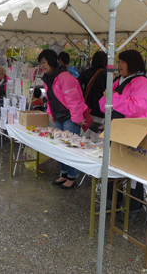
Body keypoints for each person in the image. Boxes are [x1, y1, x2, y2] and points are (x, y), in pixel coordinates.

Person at [99, 49, 147, 222]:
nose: (119, 65)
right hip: (118, 130)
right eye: (119, 62)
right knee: (113, 167)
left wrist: (113, 98)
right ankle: (112, 202)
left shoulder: (142, 83)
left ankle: (133, 208)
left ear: (133, 63)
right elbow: (104, 104)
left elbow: (136, 107)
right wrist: (110, 98)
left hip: (136, 133)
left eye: (122, 61)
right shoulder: (118, 81)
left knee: (133, 172)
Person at [39, 49, 88, 189]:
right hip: (59, 117)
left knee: (70, 147)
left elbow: (74, 100)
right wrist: (50, 113)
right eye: (41, 63)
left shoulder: (64, 77)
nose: (42, 65)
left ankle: (72, 177)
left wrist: (77, 118)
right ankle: (64, 174)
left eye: (44, 62)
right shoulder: (48, 78)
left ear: (52, 61)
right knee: (60, 147)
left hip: (70, 118)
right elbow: (50, 99)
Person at [78, 51, 107, 134]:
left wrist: (83, 93)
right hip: (100, 110)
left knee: (85, 134)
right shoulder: (105, 74)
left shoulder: (86, 72)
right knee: (97, 135)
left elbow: (76, 84)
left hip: (87, 108)